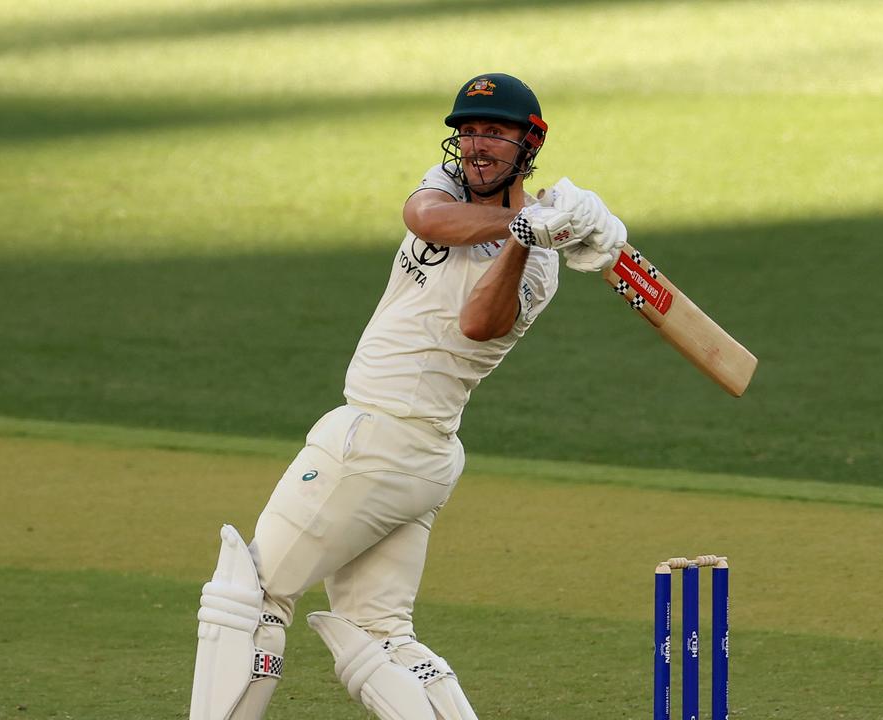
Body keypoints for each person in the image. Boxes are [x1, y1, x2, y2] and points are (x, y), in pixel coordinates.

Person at [188, 73, 627, 720]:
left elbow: (481, 322)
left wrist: (529, 239)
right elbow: (422, 217)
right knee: (379, 637)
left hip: (377, 440)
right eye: (469, 131)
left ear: (529, 145)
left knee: (250, 597)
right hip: (414, 457)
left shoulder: (539, 265)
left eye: (496, 133)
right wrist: (531, 219)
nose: (477, 145)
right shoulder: (451, 189)